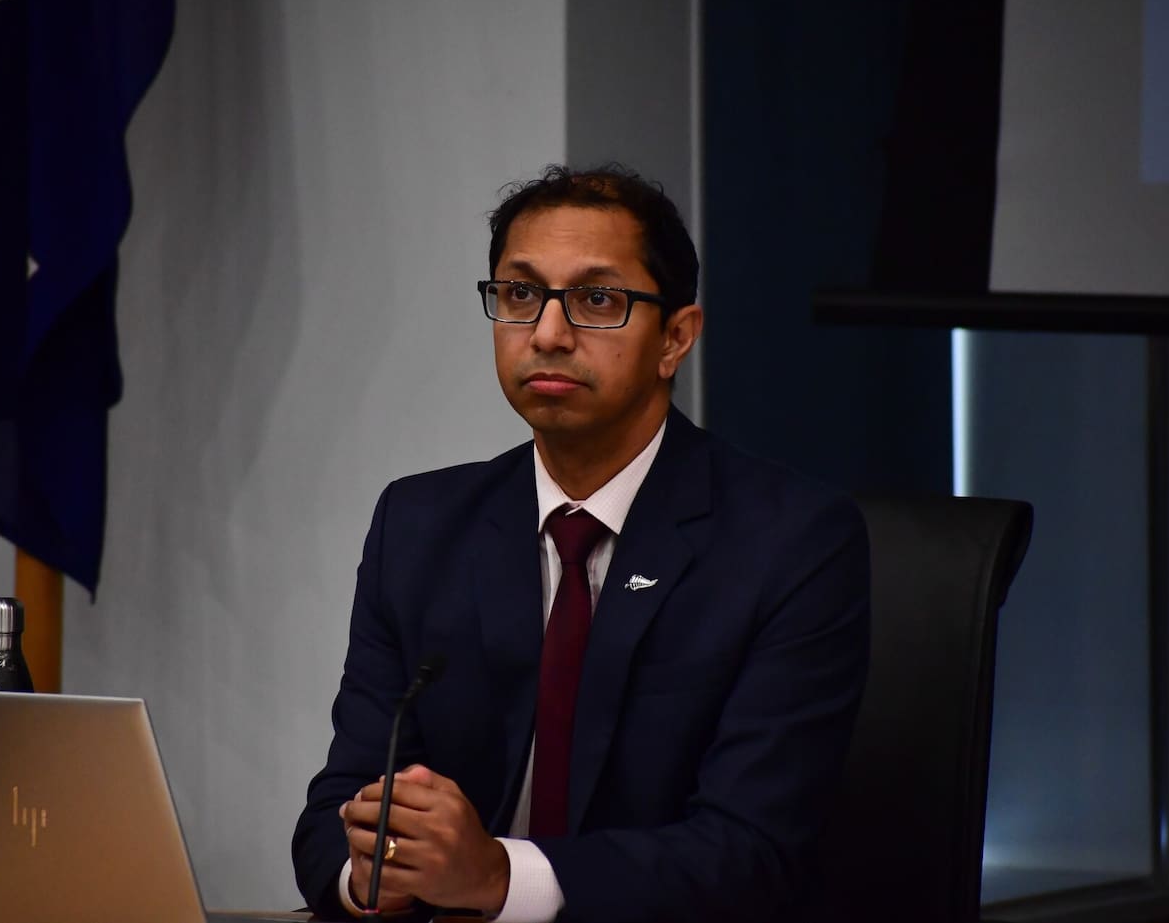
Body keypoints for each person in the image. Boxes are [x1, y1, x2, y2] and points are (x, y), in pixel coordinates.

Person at [292, 164, 869, 922]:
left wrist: (499, 877)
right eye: (521, 294)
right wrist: (375, 873)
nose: (549, 334)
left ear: (675, 337)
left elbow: (748, 850)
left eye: (597, 299)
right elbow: (337, 809)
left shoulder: (792, 541)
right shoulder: (422, 523)